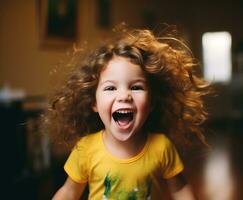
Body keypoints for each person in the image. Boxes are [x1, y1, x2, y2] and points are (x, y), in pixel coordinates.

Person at [47, 25, 209, 200]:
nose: (124, 96)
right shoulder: (86, 149)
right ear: (93, 102)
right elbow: (69, 192)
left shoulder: (161, 147)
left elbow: (180, 189)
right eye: (110, 88)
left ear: (152, 102)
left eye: (136, 87)